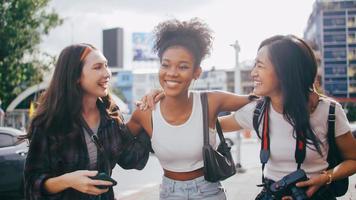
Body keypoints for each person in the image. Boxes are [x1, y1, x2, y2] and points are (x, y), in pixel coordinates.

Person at [219, 35, 356, 200]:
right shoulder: (256, 111)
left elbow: (353, 160)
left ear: (284, 71)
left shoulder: (328, 111)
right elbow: (213, 124)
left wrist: (326, 177)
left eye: (260, 66)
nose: (253, 73)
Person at [127, 18, 252, 200]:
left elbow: (258, 99)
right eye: (165, 64)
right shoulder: (146, 112)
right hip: (169, 193)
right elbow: (117, 143)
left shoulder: (211, 101)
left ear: (197, 72)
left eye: (183, 66)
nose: (172, 72)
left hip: (208, 191)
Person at [24, 44, 147, 200]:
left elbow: (132, 159)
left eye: (106, 66)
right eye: (97, 67)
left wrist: (148, 116)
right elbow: (31, 184)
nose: (107, 73)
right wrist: (67, 181)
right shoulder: (49, 123)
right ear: (75, 76)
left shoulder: (111, 116)